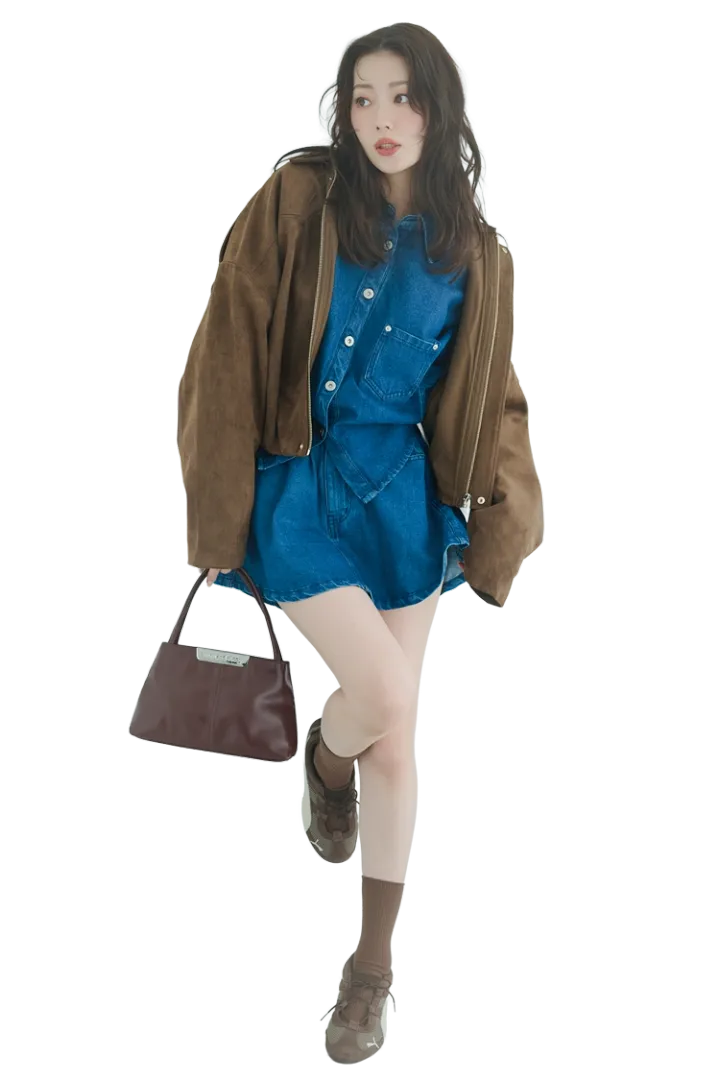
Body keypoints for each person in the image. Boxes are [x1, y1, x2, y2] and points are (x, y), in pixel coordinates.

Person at [177, 21, 544, 1064]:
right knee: (382, 694)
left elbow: (493, 396)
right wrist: (215, 514)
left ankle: (371, 972)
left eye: (403, 97)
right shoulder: (298, 198)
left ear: (439, 109)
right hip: (298, 483)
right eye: (364, 97)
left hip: (402, 502)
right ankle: (323, 766)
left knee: (396, 731)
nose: (382, 118)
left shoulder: (477, 250)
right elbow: (225, 348)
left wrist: (504, 522)